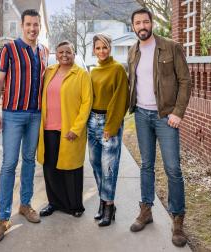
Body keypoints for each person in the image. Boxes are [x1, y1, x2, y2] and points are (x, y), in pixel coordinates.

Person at [128, 8, 191, 247]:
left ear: (152, 23)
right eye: (137, 23)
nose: (142, 26)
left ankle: (177, 219)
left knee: (173, 168)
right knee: (146, 165)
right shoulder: (133, 51)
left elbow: (185, 80)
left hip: (166, 117)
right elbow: (132, 82)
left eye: (145, 21)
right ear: (133, 26)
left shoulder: (171, 47)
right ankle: (146, 210)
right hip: (142, 116)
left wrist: (178, 112)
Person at [0, 9, 48, 243]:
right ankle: (3, 217)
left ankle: (25, 204)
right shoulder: (9, 49)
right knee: (9, 164)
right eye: (29, 24)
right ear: (22, 26)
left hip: (35, 115)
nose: (33, 29)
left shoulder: (43, 51)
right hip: (12, 115)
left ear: (40, 27)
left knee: (30, 161)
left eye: (36, 25)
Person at [37, 41, 93, 218]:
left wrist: (76, 128)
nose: (64, 55)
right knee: (50, 168)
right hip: (48, 128)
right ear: (56, 54)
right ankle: (54, 202)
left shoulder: (82, 75)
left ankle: (75, 206)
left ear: (74, 54)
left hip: (69, 130)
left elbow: (87, 103)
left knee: (72, 169)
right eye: (60, 52)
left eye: (68, 52)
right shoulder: (49, 72)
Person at [87, 34, 129, 226]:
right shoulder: (93, 71)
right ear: (94, 50)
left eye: (104, 47)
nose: (101, 51)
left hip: (108, 123)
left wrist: (110, 127)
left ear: (110, 48)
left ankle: (109, 206)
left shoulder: (118, 69)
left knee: (108, 168)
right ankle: (103, 201)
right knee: (96, 164)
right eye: (98, 48)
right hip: (92, 123)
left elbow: (121, 99)